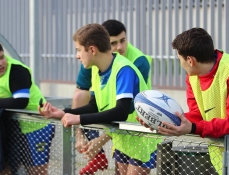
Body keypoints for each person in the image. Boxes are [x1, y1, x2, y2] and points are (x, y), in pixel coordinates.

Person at [39, 23, 159, 175]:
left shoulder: (124, 69)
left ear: (92, 50)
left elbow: (121, 111)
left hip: (140, 138)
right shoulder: (97, 70)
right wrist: (64, 113)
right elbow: (94, 105)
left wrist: (79, 119)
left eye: (78, 50)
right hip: (122, 137)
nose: (77, 55)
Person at [138, 27, 229, 175]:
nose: (180, 64)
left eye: (179, 59)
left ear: (190, 60)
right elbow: (197, 114)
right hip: (221, 159)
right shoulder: (193, 76)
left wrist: (193, 128)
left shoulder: (228, 71)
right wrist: (160, 121)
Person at [72, 19, 153, 174]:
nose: (120, 47)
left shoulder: (135, 63)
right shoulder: (95, 65)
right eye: (114, 43)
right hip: (120, 132)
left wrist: (99, 140)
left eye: (123, 41)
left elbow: (124, 109)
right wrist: (76, 129)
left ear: (93, 49)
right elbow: (85, 99)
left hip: (138, 130)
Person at [0, 40, 54, 174]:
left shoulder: (17, 70)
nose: (1, 63)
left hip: (35, 126)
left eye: (2, 57)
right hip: (7, 128)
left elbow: (20, 102)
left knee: (37, 172)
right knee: (2, 169)